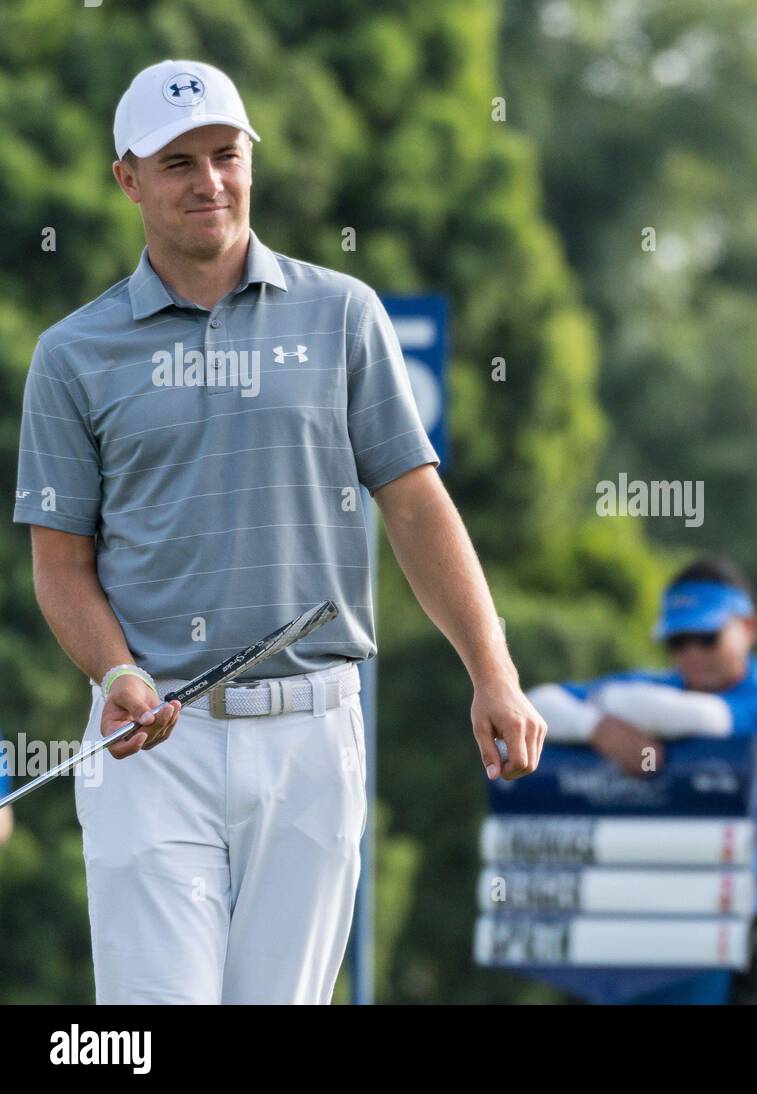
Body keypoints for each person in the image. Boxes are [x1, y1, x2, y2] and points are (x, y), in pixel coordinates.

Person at [12, 59, 545, 1004]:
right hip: (151, 741)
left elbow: (418, 508)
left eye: (226, 155)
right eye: (178, 163)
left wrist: (492, 672)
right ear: (127, 178)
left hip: (311, 739)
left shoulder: (343, 315)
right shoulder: (71, 355)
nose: (208, 182)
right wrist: (115, 671)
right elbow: (62, 568)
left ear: (252, 160)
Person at [529, 556, 757, 1004]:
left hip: (730, 937)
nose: (692, 654)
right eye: (678, 641)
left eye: (706, 637)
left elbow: (700, 719)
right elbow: (533, 706)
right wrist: (598, 729)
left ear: (749, 625)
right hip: (628, 932)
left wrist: (603, 709)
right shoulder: (655, 687)